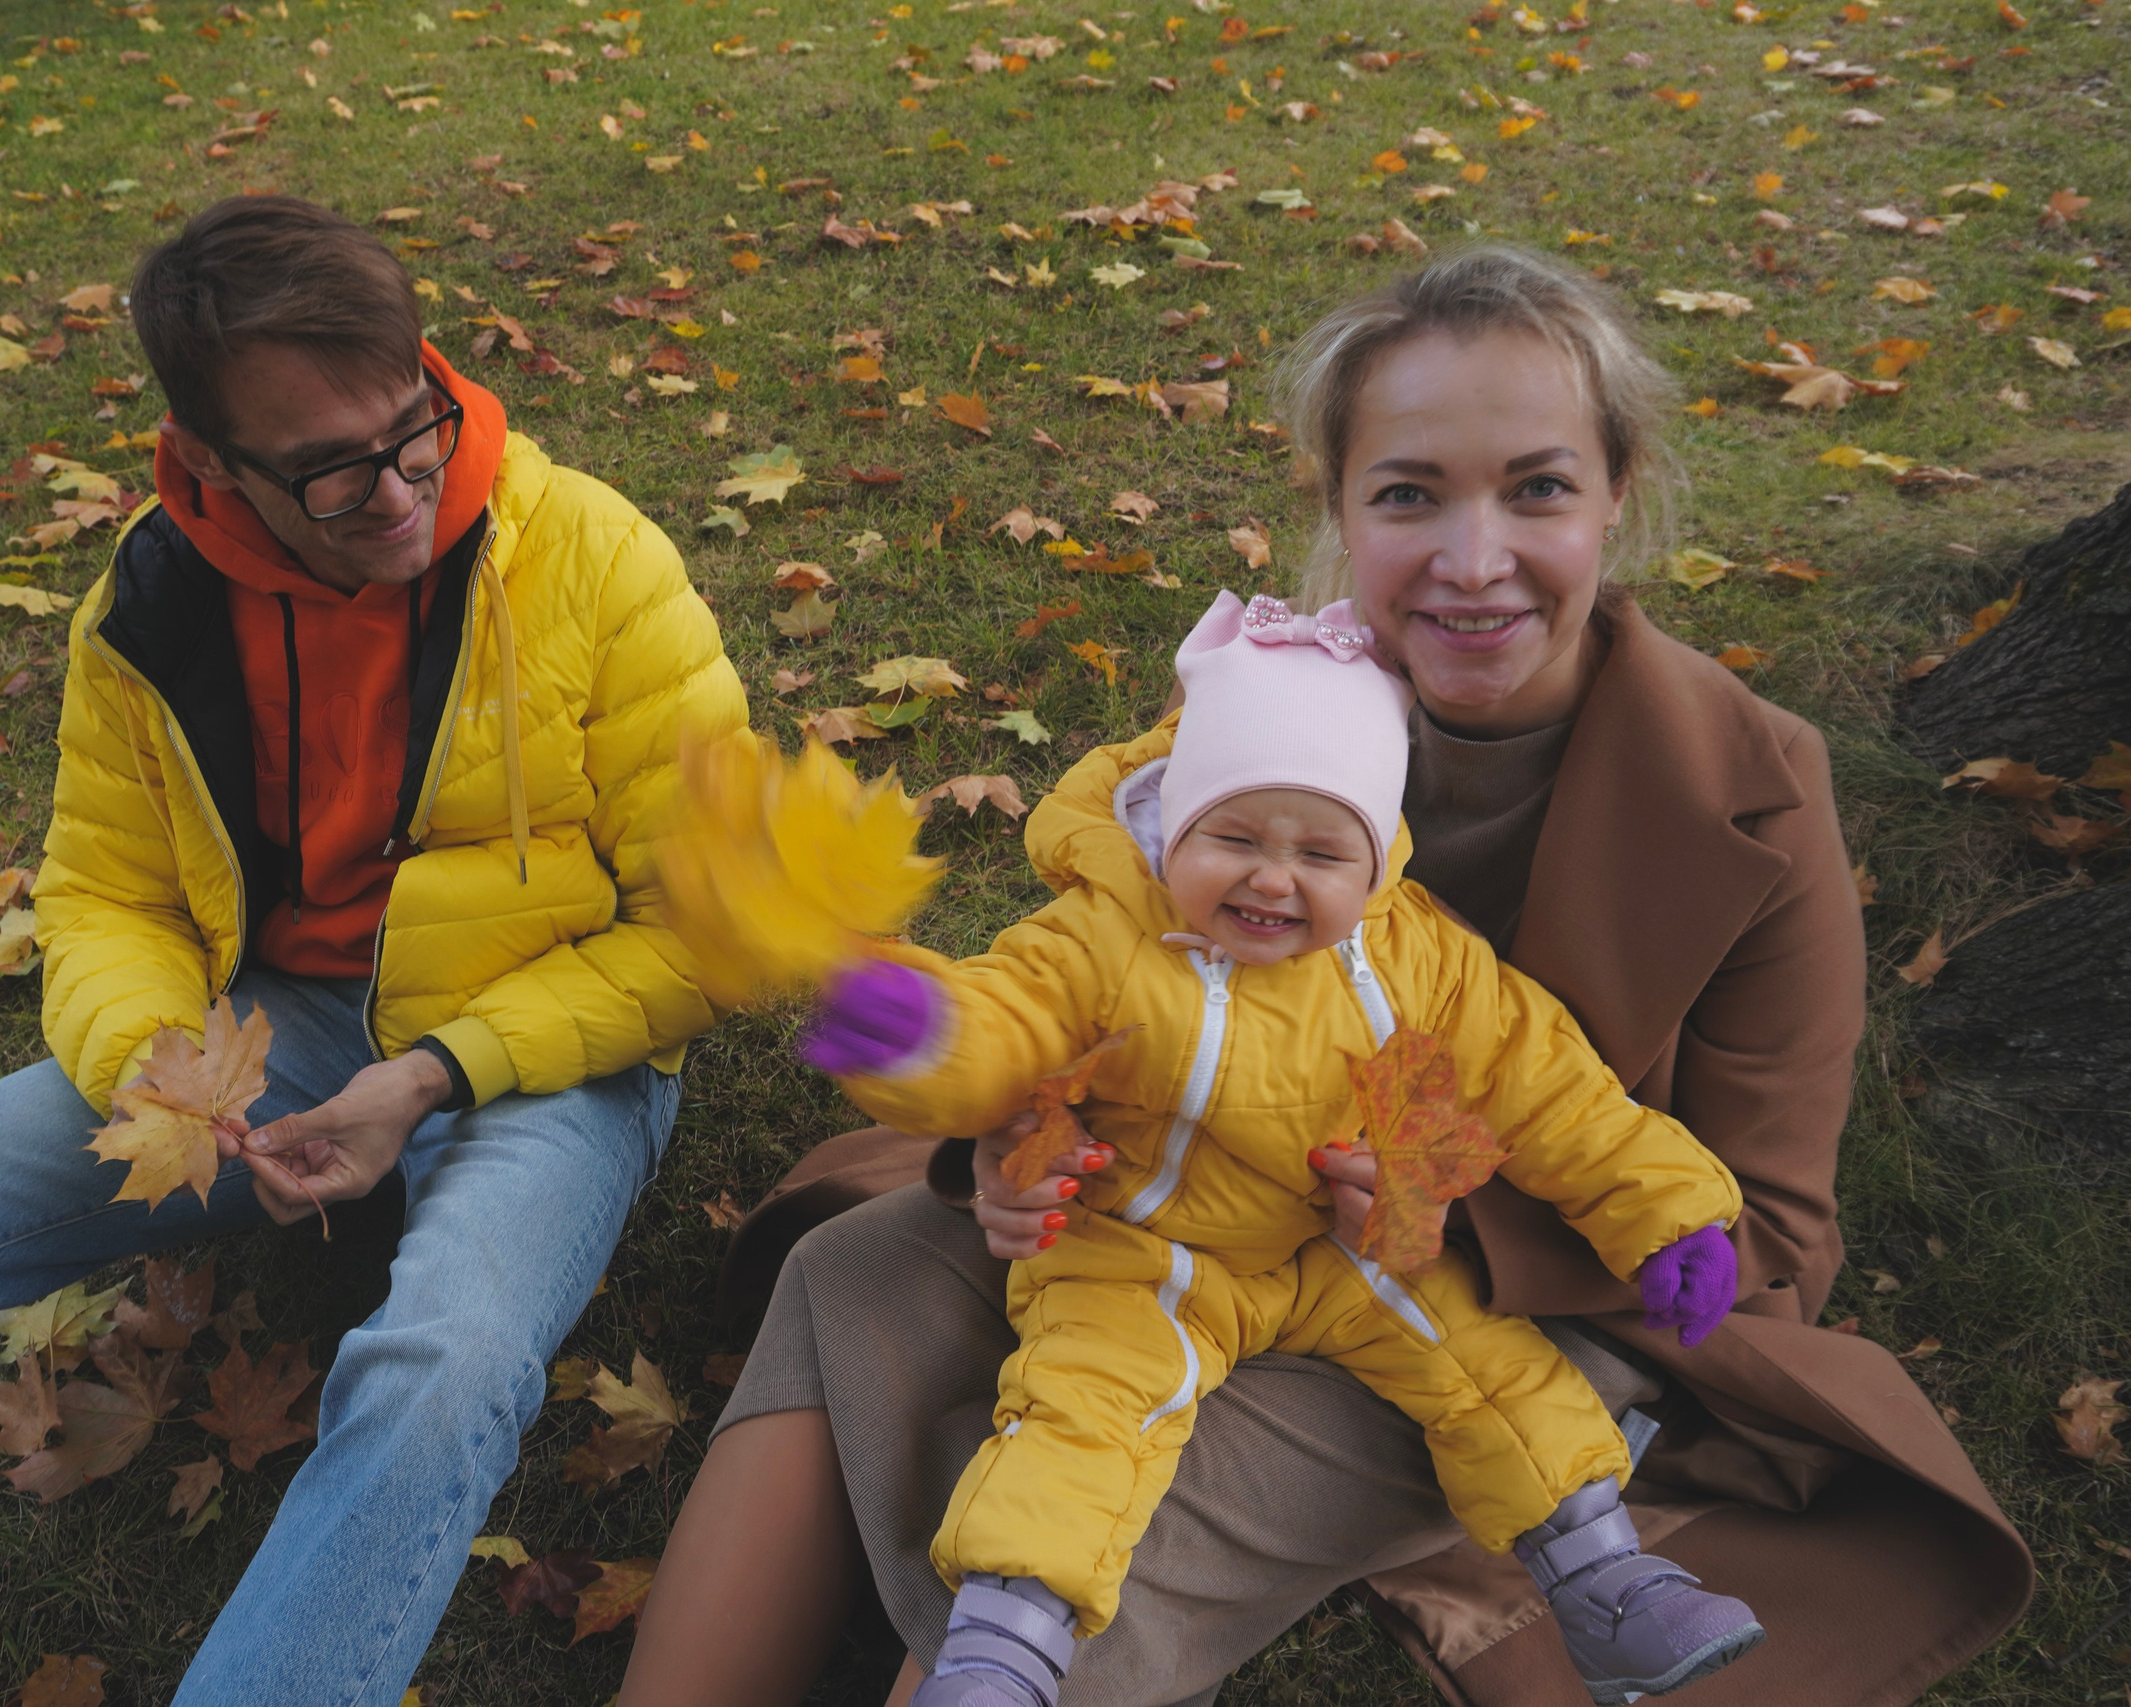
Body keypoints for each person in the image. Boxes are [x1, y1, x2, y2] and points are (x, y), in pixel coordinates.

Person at [622, 246, 2030, 1707]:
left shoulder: (1760, 785)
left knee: (1096, 1531)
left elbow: (1777, 1234)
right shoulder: (1257, 717)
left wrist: (1444, 1190)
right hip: (1171, 1217)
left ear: (1619, 490)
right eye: (1411, 492)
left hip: (1496, 1308)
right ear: (1341, 506)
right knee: (851, 1266)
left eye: (1537, 487)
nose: (1473, 560)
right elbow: (1108, 990)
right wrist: (1019, 1132)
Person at [0, 195, 746, 1707]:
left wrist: (439, 1071)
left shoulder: (593, 557)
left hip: (547, 1042)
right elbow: (106, 892)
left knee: (443, 1353)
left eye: (411, 427)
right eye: (325, 467)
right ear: (214, 461)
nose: (394, 488)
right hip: (280, 1021)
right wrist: (155, 1057)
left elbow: (714, 938)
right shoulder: (152, 603)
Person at [784, 586, 1761, 1707]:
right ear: (1174, 830)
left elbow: (1550, 1091)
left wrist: (1667, 1216)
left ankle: (1606, 1583)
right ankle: (1003, 1653)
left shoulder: (1420, 958)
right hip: (1143, 1248)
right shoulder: (1113, 935)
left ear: (1374, 863)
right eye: (1233, 836)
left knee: (1487, 1368)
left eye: (1319, 853)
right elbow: (1008, 1020)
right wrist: (920, 1033)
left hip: (1340, 1246)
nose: (1270, 876)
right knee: (1080, 1410)